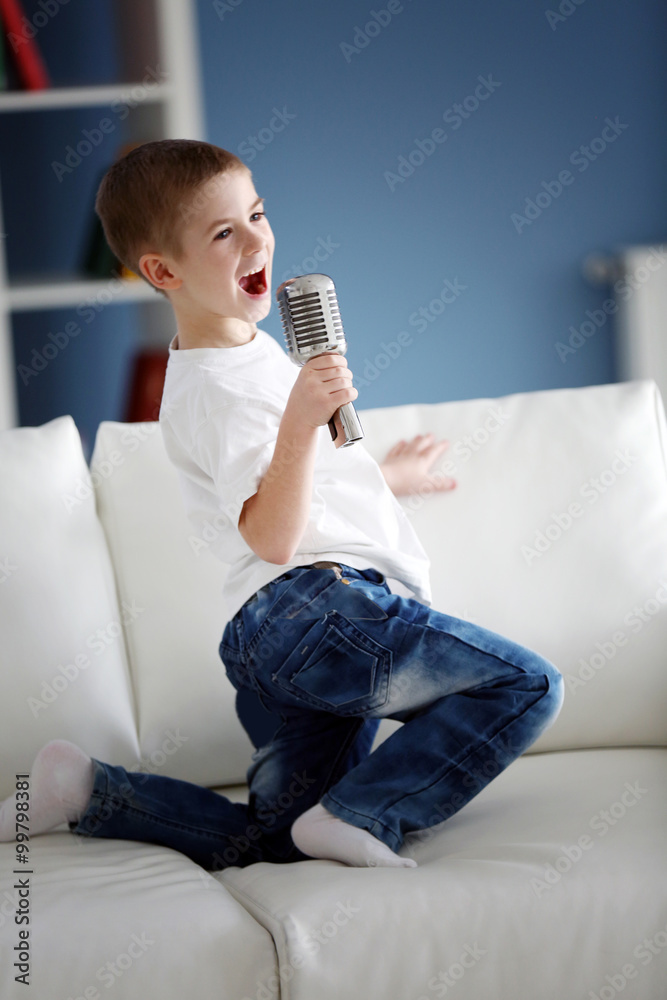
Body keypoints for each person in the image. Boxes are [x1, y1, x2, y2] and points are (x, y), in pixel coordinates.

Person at [0, 140, 563, 870]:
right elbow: (271, 535)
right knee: (522, 683)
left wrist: (377, 477)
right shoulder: (218, 391)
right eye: (223, 233)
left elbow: (292, 490)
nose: (257, 238)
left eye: (257, 214)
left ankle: (85, 790)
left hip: (276, 640)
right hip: (317, 612)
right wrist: (301, 421)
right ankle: (369, 812)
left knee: (276, 840)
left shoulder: (249, 355)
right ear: (164, 271)